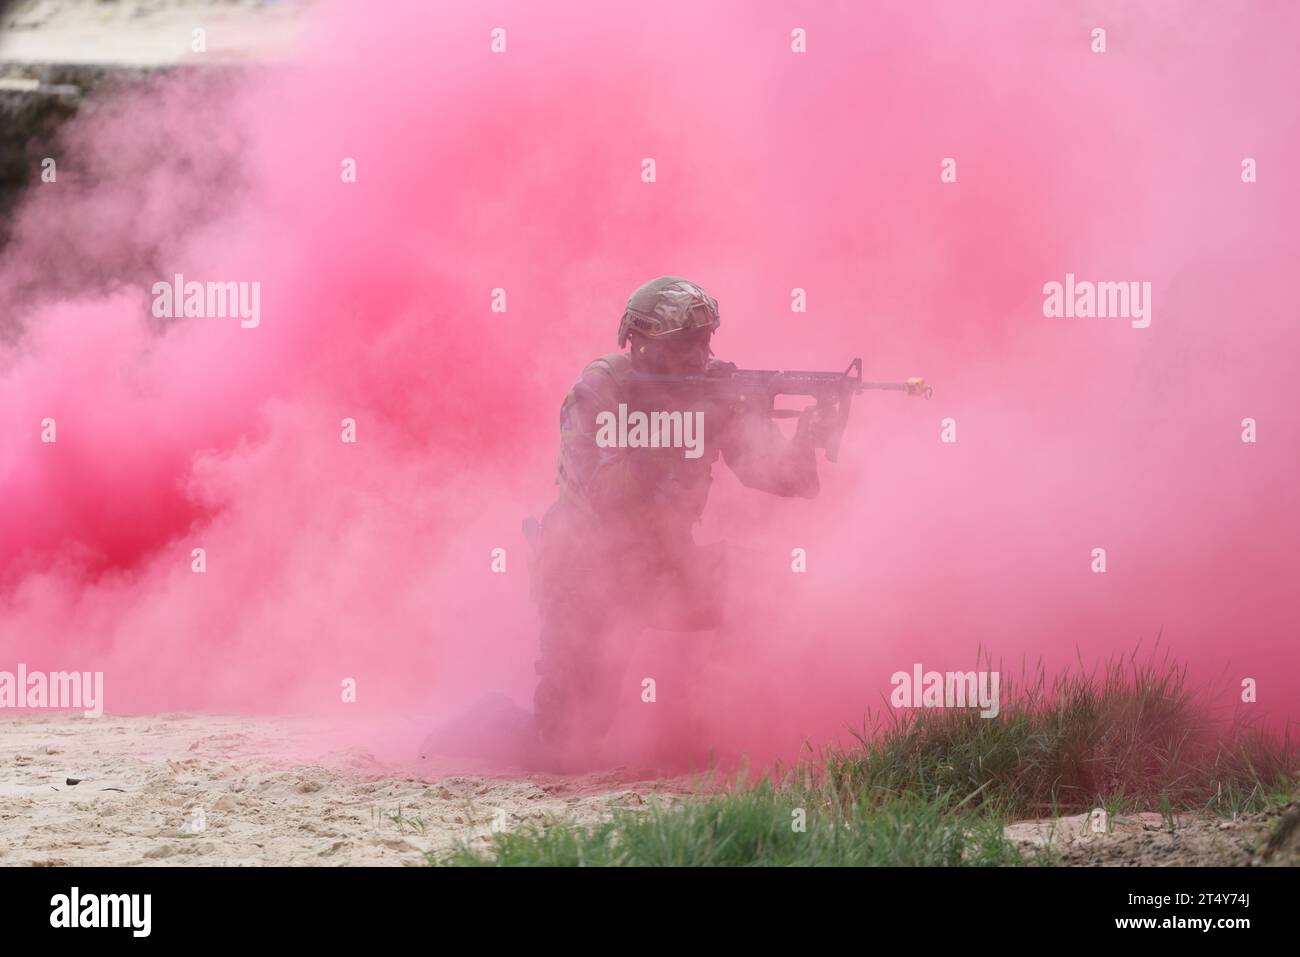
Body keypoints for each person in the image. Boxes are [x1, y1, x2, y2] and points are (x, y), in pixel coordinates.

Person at [527, 276, 827, 760]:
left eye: (705, 340)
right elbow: (605, 493)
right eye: (684, 343)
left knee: (763, 589)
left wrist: (808, 434)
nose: (700, 355)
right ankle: (483, 732)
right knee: (567, 747)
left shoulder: (708, 391)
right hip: (586, 574)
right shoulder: (600, 390)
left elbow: (779, 478)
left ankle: (705, 723)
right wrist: (685, 424)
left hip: (665, 564)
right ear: (639, 344)